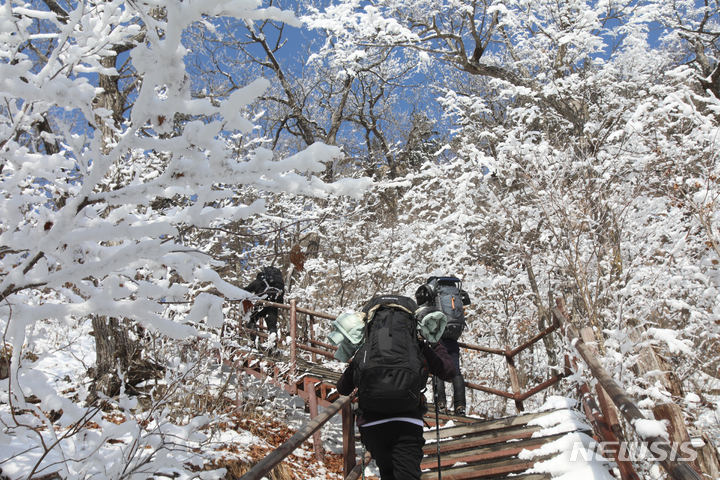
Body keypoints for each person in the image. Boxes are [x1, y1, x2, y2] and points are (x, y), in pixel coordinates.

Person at [336, 296, 456, 480]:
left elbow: (342, 388)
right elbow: (448, 372)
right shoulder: (417, 347)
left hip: (372, 425)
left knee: (388, 474)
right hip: (407, 422)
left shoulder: (366, 350)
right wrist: (437, 346)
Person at [415, 277, 471, 416]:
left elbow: (422, 311)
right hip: (453, 334)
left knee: (439, 365)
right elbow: (466, 303)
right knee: (456, 369)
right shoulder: (454, 291)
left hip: (438, 335)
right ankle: (460, 406)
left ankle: (441, 403)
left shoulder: (432, 291)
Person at [244, 266, 285, 353]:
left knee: (251, 320)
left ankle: (254, 343)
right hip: (273, 305)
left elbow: (246, 291)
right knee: (272, 326)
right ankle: (273, 348)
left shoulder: (258, 282)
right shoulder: (277, 284)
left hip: (261, 305)